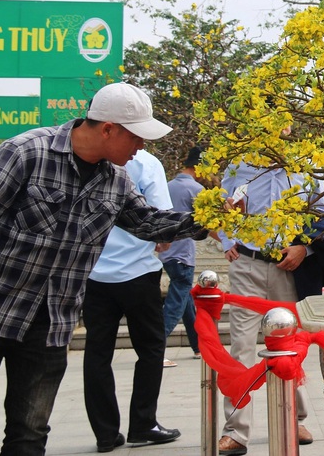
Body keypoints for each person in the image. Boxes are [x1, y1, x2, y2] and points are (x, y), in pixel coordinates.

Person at [0, 82, 206, 456]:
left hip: (51, 323)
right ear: (108, 128)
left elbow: (148, 223)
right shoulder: (25, 152)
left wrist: (210, 218)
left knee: (30, 433)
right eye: (137, 138)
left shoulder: (116, 180)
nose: (141, 148)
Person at [216, 161, 324, 456]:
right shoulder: (238, 166)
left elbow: (323, 221)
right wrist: (226, 239)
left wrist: (304, 249)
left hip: (289, 267)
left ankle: (295, 419)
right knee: (241, 348)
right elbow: (221, 208)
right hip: (247, 264)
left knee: (288, 346)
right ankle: (235, 431)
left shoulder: (307, 168)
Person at [82, 148, 182, 452]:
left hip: (93, 274)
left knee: (97, 352)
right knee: (151, 349)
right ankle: (142, 424)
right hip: (138, 272)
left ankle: (105, 433)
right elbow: (161, 219)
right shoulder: (146, 163)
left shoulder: (82, 160)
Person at [158, 147, 205, 366]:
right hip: (183, 255)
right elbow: (208, 223)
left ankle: (197, 347)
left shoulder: (166, 186)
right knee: (175, 304)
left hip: (167, 255)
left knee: (185, 301)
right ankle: (156, 348)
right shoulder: (196, 189)